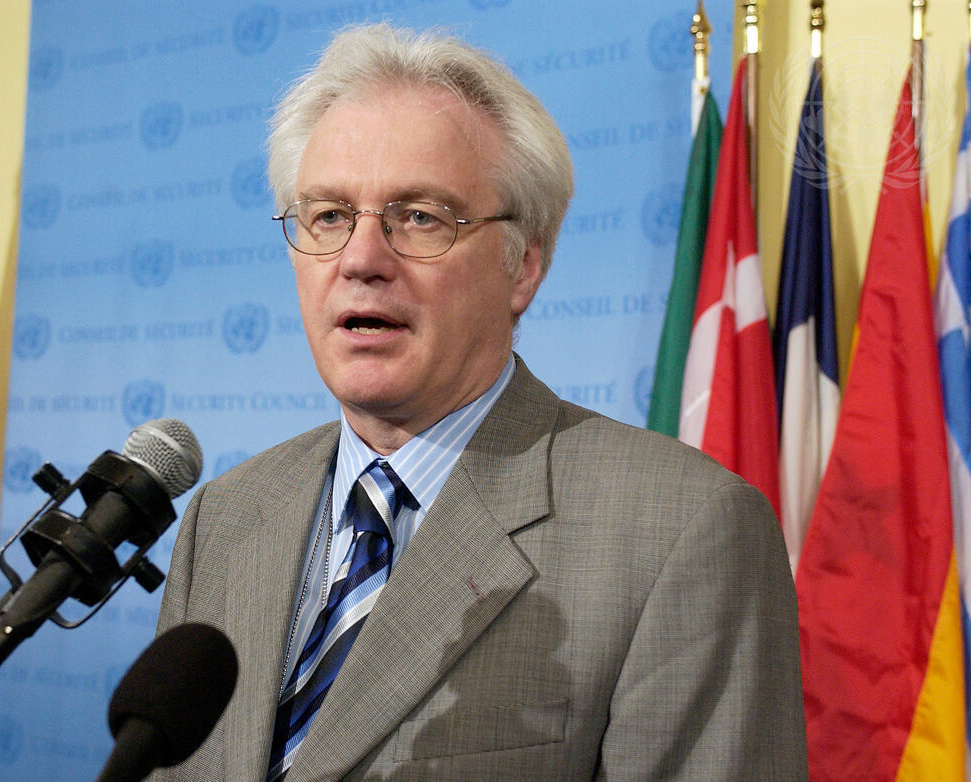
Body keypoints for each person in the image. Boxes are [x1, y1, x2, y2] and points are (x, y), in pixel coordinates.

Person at [152, 23, 806, 782]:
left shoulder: (682, 533)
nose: (361, 259)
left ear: (522, 267)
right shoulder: (225, 518)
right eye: (329, 216)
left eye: (419, 217)